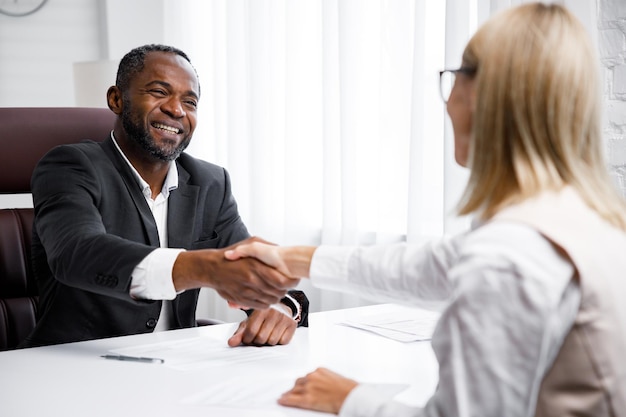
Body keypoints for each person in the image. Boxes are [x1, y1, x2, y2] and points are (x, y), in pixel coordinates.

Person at [225, 3, 626, 416]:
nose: (447, 101)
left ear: (483, 97)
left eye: (454, 79)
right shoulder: (588, 221)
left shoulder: (508, 256)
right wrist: (292, 259)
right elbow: (430, 265)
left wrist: (351, 399)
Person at [22, 44, 308, 349]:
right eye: (159, 92)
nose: (177, 109)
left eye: (190, 101)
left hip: (175, 366)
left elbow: (252, 270)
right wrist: (205, 267)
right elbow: (76, 252)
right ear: (116, 99)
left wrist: (280, 308)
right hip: (73, 366)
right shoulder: (70, 166)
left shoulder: (211, 182)